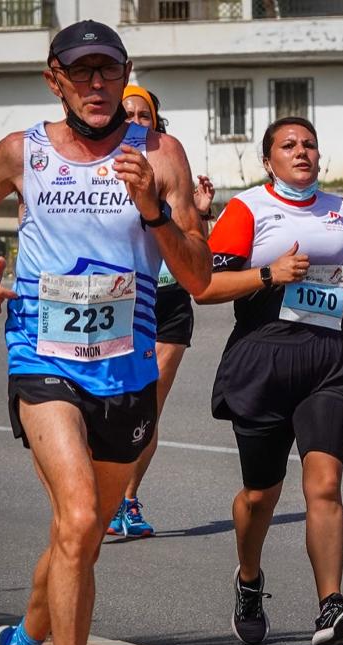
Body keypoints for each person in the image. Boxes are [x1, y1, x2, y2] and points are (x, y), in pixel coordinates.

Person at [0, 20, 211, 645]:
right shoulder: (22, 152)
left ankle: (22, 644)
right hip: (42, 356)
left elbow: (195, 275)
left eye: (108, 71)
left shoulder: (160, 155)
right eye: (81, 72)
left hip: (125, 368)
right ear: (54, 80)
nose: (96, 85)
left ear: (125, 74)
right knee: (81, 513)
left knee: (81, 538)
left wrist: (154, 210)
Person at [193, 116, 343, 645]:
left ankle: (331, 604)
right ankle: (249, 579)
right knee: (260, 494)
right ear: (268, 160)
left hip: (327, 359)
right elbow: (205, 286)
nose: (302, 152)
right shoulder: (248, 209)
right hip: (263, 357)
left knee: (324, 485)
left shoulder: (341, 211)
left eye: (310, 144)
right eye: (288, 146)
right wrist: (270, 274)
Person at [106, 83, 217, 538]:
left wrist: (201, 213)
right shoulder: (97, 169)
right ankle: (101, 494)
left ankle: (126, 502)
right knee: (111, 403)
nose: (134, 121)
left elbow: (192, 245)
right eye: (125, 113)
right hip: (119, 301)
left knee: (148, 409)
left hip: (168, 303)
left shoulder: (169, 165)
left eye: (143, 115)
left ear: (156, 122)